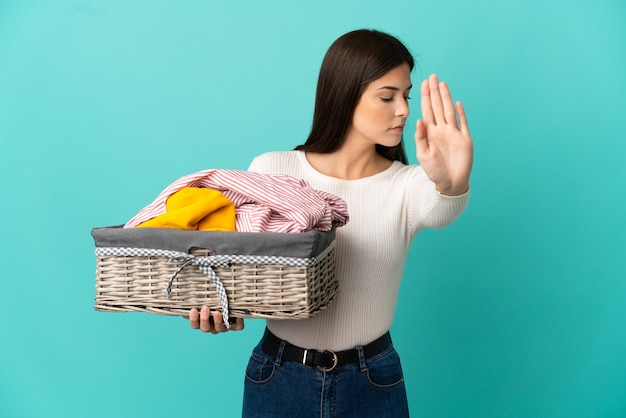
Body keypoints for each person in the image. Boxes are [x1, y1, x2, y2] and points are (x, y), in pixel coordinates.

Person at [188, 29, 473, 417]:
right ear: (344, 93)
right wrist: (224, 309)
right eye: (387, 96)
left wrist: (451, 180)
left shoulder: (409, 184)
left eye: (405, 96)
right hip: (279, 375)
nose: (404, 110)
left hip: (372, 379)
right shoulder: (273, 170)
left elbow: (442, 209)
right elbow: (249, 275)